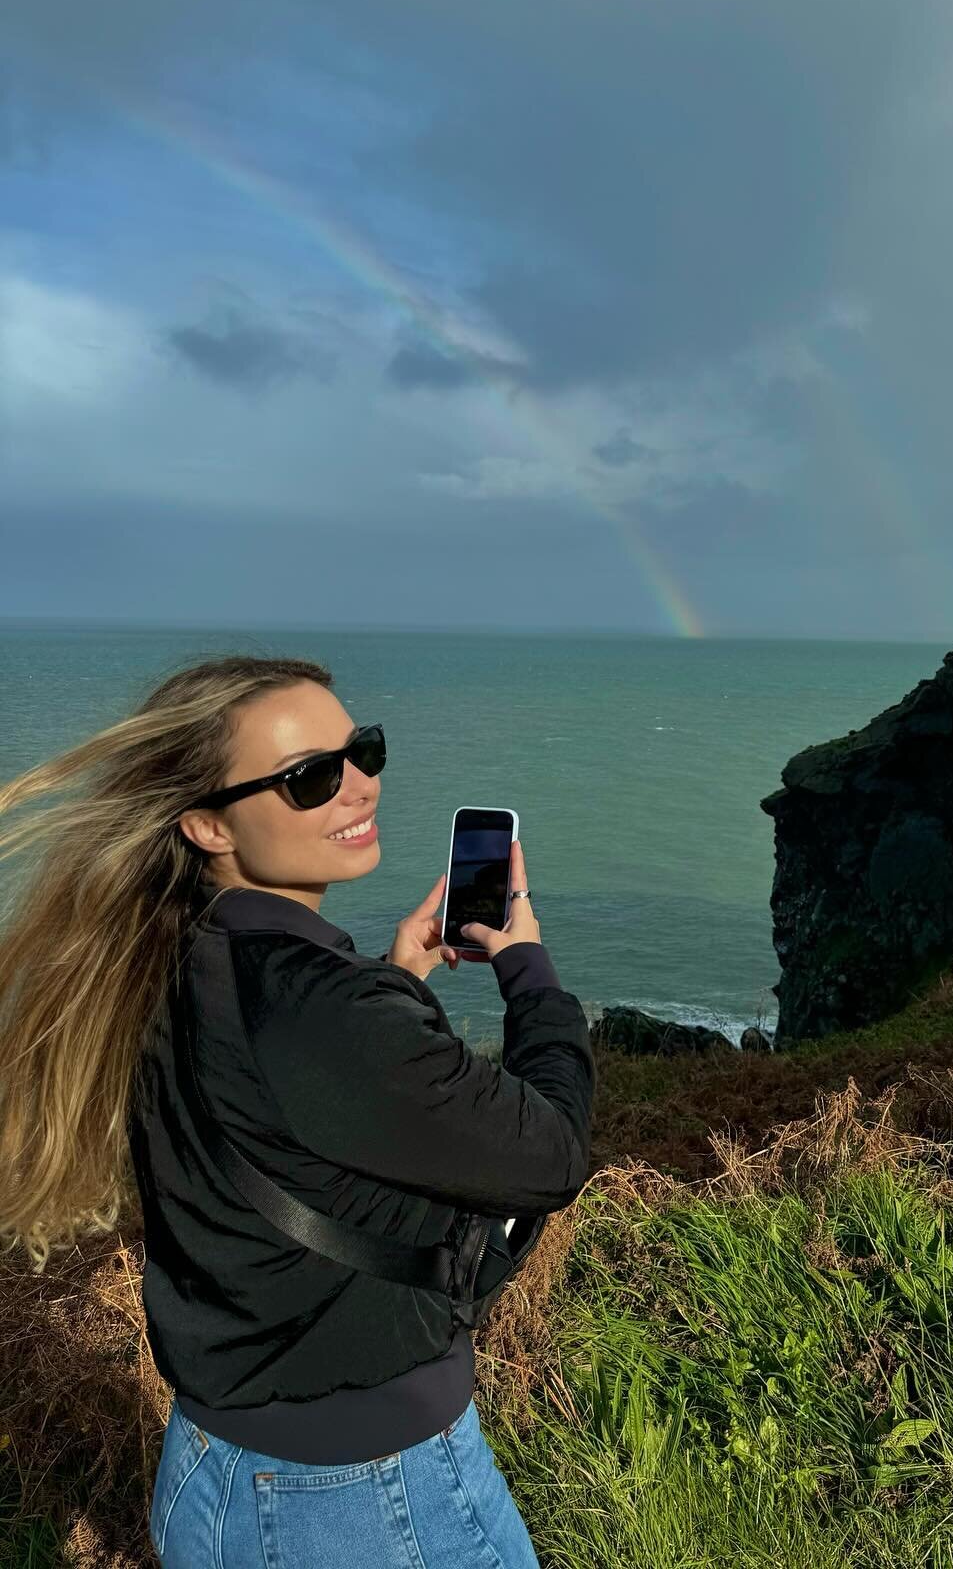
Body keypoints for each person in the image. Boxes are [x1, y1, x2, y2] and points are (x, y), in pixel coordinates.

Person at [0, 654, 594, 1567]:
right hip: (364, 1497)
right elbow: (550, 1153)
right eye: (310, 778)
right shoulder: (326, 1011)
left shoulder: (164, 957)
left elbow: (288, 1112)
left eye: (363, 751)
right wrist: (529, 967)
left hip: (219, 1468)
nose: (358, 788)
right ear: (207, 824)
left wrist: (396, 979)